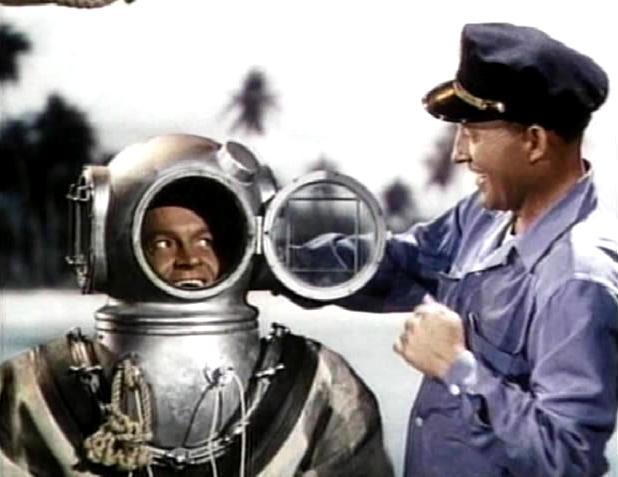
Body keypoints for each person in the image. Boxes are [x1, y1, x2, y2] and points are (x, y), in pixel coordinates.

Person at [291, 23, 617, 476]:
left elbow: (567, 455)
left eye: (474, 134)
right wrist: (269, 260)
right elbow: (397, 265)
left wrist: (456, 367)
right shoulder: (486, 216)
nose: (458, 154)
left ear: (535, 142)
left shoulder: (577, 280)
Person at [0, 134, 393, 476]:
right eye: (163, 243)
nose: (190, 259)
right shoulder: (33, 391)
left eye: (207, 242)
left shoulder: (318, 386)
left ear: (249, 245)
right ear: (108, 249)